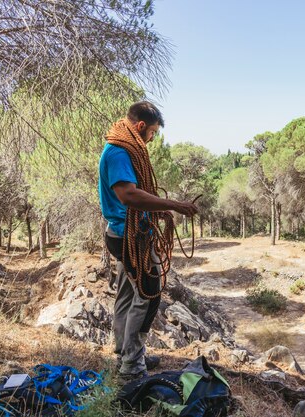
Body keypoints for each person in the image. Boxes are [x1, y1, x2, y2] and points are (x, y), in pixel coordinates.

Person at [98, 101, 197, 379]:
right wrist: (175, 204)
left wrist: (159, 209)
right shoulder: (119, 152)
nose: (152, 139)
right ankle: (132, 364)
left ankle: (126, 353)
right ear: (141, 126)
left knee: (128, 294)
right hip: (129, 236)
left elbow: (134, 196)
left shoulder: (121, 146)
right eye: (152, 133)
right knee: (149, 294)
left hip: (124, 233)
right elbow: (128, 195)